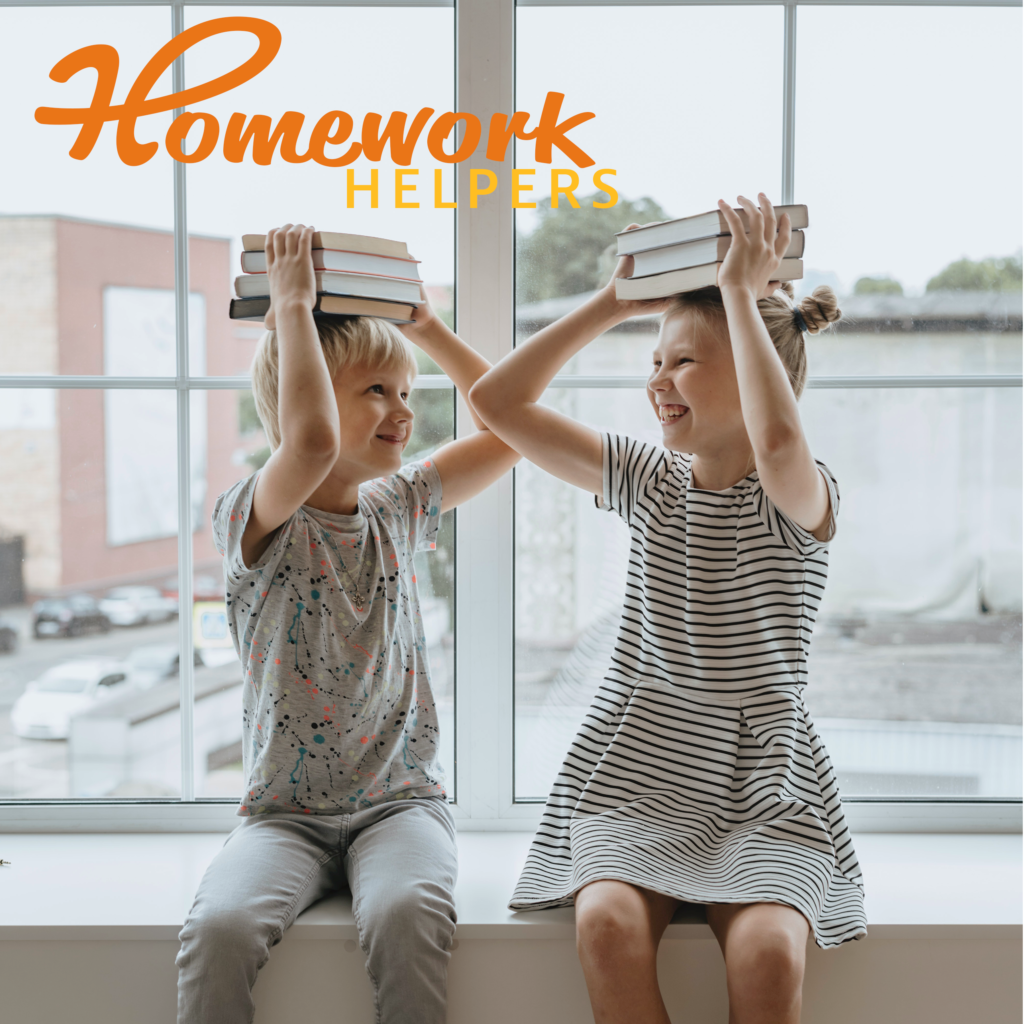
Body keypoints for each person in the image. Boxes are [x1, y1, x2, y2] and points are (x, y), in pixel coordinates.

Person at [470, 195, 866, 1024]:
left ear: (760, 375)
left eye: (682, 362)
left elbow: (781, 442)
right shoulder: (648, 480)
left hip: (765, 783)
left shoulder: (796, 495)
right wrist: (614, 303)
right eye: (654, 360)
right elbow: (497, 405)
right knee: (607, 928)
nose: (656, 380)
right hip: (640, 768)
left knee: (765, 956)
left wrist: (735, 289)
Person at [176, 223, 519, 1024]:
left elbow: (510, 429)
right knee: (219, 929)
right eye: (378, 390)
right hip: (282, 816)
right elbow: (311, 442)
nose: (405, 410)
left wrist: (427, 328)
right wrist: (292, 307)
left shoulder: (399, 506)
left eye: (408, 391)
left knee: (407, 918)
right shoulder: (254, 518)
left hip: (399, 805)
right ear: (307, 398)